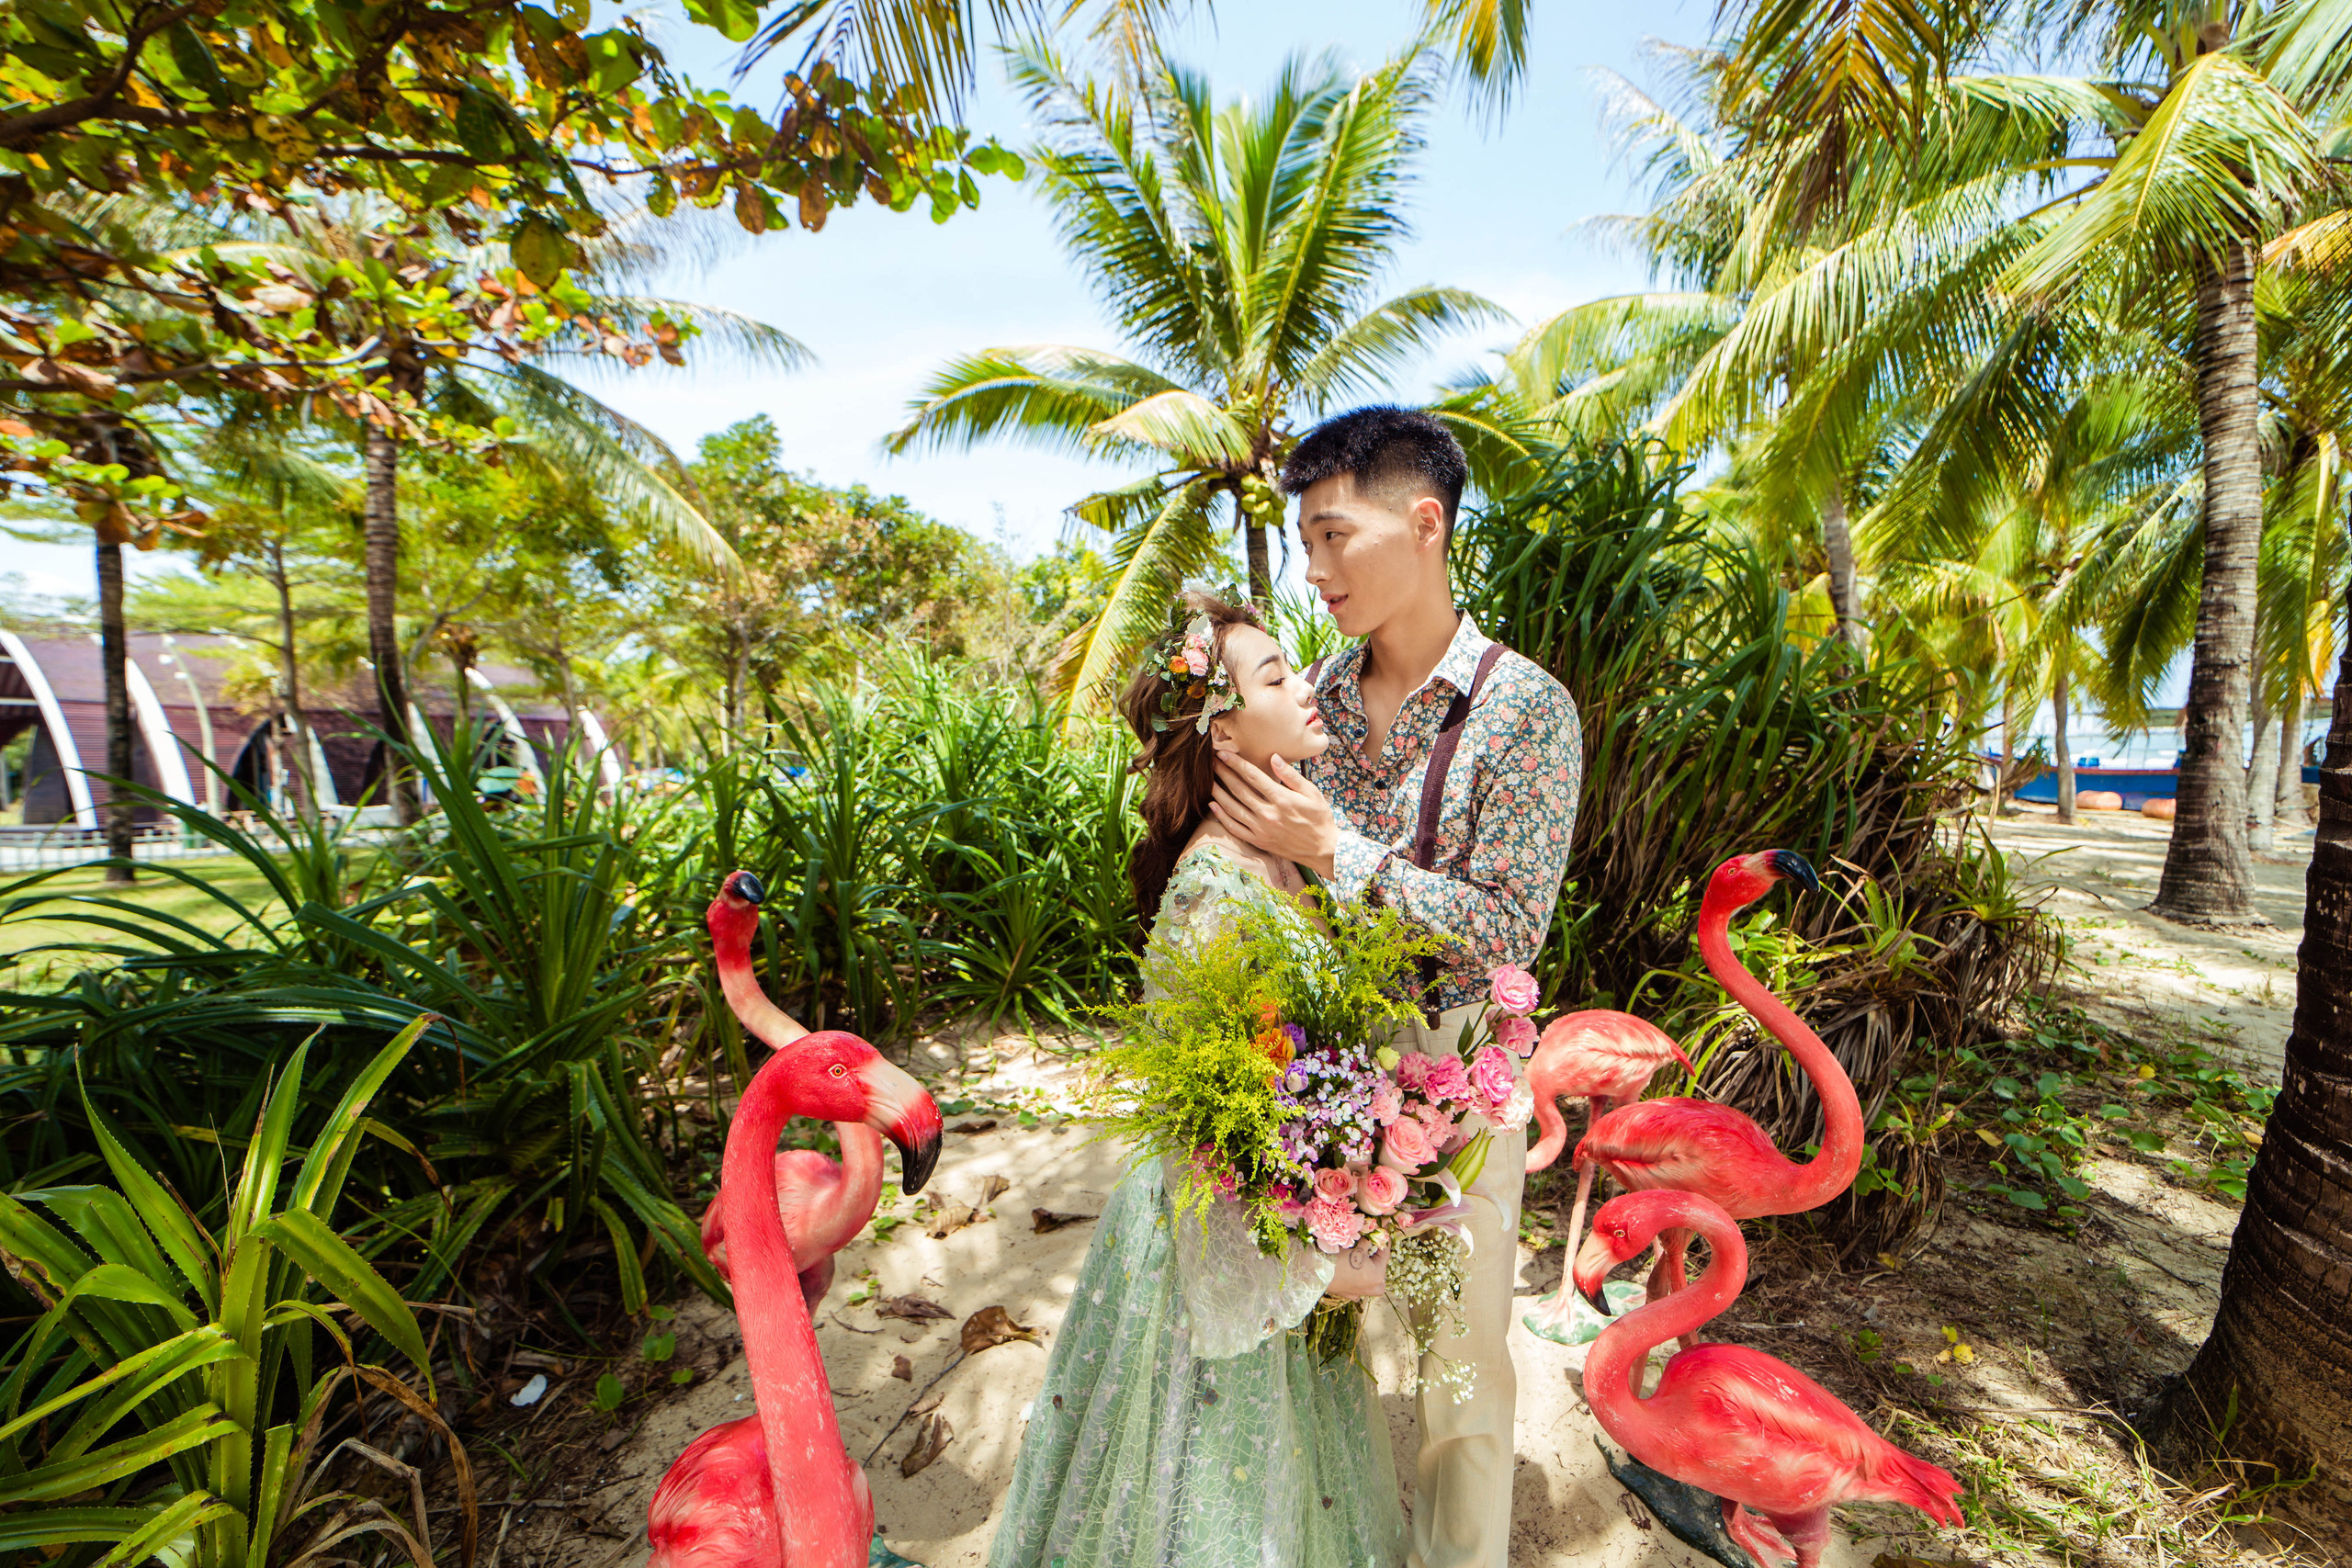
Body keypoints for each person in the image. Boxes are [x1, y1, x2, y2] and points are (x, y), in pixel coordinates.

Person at [1209, 407, 1582, 1568]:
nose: (1310, 571)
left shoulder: (1525, 711)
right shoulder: (1301, 697)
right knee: (1314, 1349)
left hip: (1460, 1077)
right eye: (1301, 542)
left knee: (1459, 1370)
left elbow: (1507, 928)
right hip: (1307, 1071)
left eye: (1332, 536)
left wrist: (1341, 854)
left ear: (1424, 524)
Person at [987, 590, 1406, 1568]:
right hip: (1224, 1229)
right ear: (1220, 733)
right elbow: (1204, 1126)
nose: (1307, 689)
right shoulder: (1212, 891)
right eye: (1275, 677)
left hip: (1289, 1206)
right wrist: (1315, 1260)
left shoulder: (1293, 854)